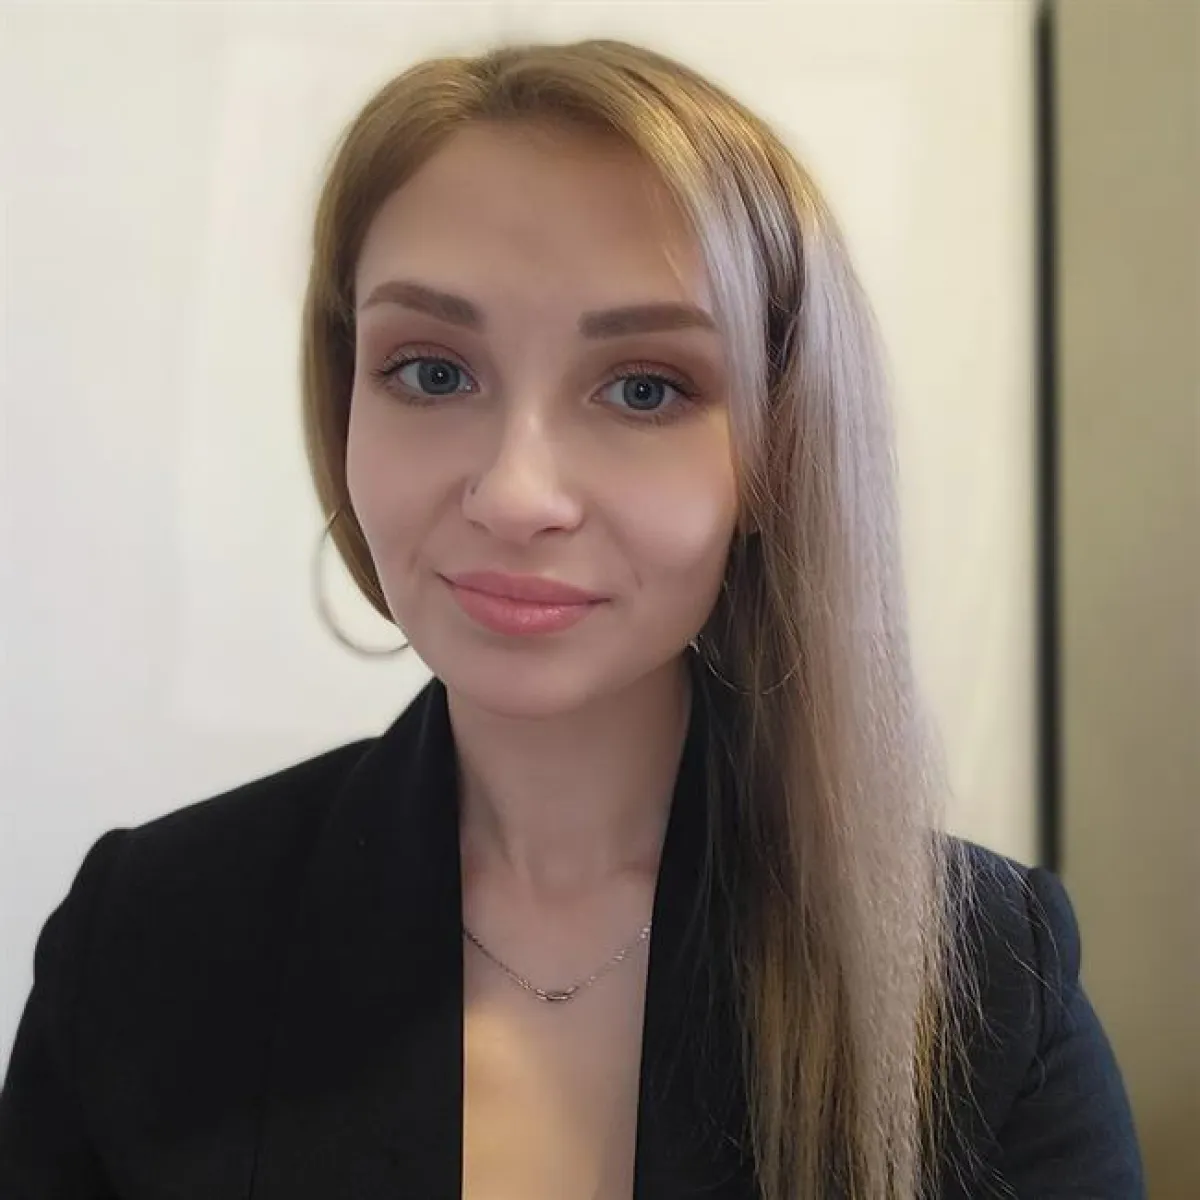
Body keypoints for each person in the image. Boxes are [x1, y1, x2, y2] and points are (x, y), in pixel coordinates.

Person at [0, 36, 1143, 1200]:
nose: (515, 495)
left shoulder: (985, 991)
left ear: (779, 453)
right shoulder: (146, 942)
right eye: (432, 372)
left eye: (645, 388)